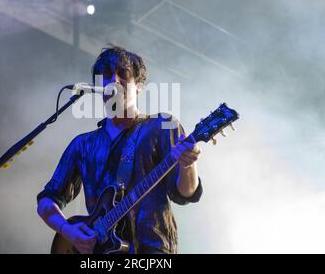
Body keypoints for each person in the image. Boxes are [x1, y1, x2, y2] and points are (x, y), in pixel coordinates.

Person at [37, 45, 202, 254]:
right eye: (106, 75)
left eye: (123, 74)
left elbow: (185, 193)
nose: (113, 81)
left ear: (139, 85)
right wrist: (68, 231)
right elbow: (46, 200)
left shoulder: (162, 126)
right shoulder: (83, 145)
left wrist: (189, 165)